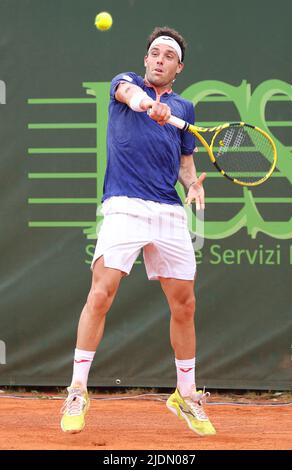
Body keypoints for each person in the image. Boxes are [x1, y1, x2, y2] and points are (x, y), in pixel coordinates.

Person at [60, 26, 216, 437]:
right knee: (101, 291)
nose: (160, 59)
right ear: (146, 60)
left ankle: (185, 394)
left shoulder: (186, 108)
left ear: (179, 67)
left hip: (167, 210)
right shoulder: (124, 84)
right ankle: (77, 389)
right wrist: (150, 105)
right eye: (154, 53)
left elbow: (184, 162)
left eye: (168, 55)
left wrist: (193, 182)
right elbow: (131, 97)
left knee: (184, 304)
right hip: (124, 205)